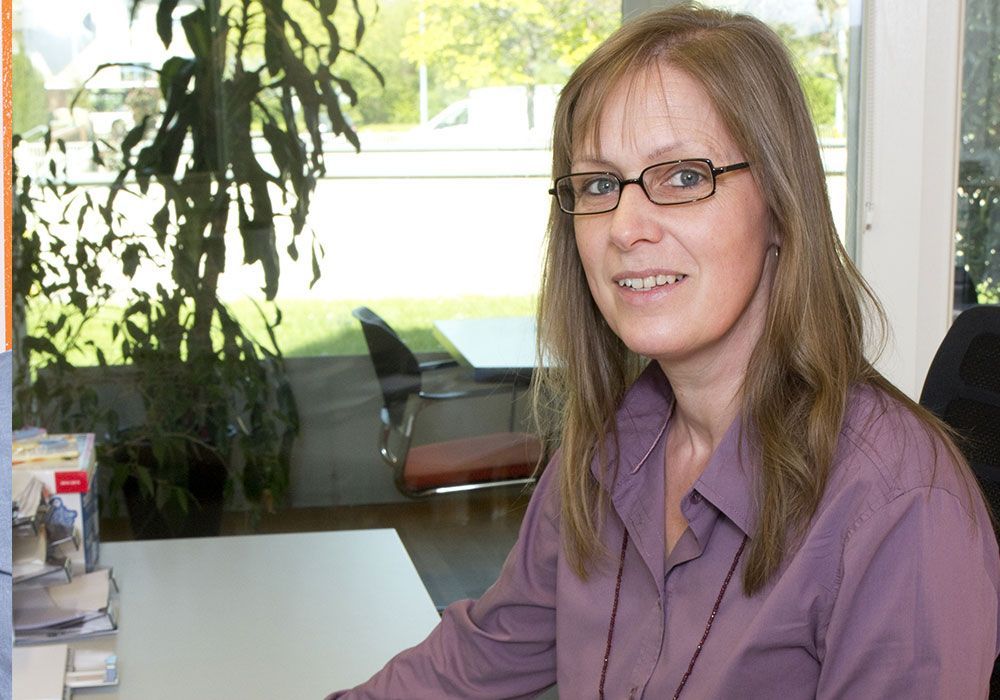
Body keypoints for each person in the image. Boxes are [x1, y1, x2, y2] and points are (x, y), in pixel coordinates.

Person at [330, 5, 1000, 698]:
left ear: (778, 204)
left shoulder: (897, 505)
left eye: (682, 176)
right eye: (598, 184)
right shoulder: (607, 450)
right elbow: (474, 661)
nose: (624, 227)